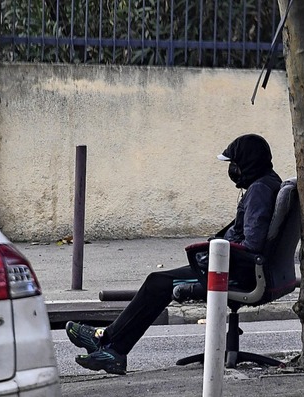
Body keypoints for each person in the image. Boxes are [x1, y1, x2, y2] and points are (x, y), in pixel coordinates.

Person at [66, 133, 282, 374]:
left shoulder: (260, 190)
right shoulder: (266, 183)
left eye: (235, 164)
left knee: (157, 283)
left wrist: (211, 251)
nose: (233, 170)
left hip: (235, 272)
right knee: (157, 281)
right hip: (238, 266)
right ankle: (107, 342)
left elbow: (251, 244)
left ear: (248, 163)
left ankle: (112, 349)